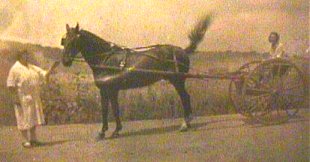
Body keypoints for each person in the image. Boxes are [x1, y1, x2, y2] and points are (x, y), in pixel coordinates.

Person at [7, 50, 59, 148]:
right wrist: (15, 98)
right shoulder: (15, 69)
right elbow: (10, 85)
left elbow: (44, 73)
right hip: (22, 97)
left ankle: (33, 139)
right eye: (24, 55)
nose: (26, 57)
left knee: (33, 118)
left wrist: (52, 68)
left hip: (33, 96)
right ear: (20, 56)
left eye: (27, 55)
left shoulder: (31, 67)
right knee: (23, 119)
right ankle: (25, 140)